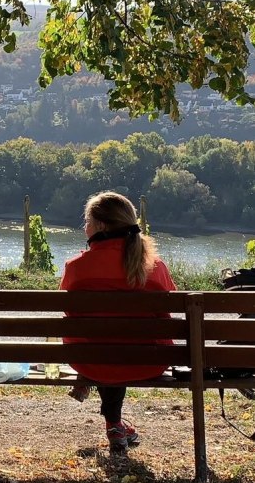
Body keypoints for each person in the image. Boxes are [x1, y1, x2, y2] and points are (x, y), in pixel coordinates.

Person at [60, 191, 176, 452]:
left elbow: (70, 316)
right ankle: (115, 425)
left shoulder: (76, 267)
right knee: (117, 348)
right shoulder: (155, 267)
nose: (85, 227)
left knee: (104, 349)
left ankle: (114, 424)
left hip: (90, 361)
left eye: (87, 221)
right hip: (148, 362)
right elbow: (166, 317)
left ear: (100, 226)